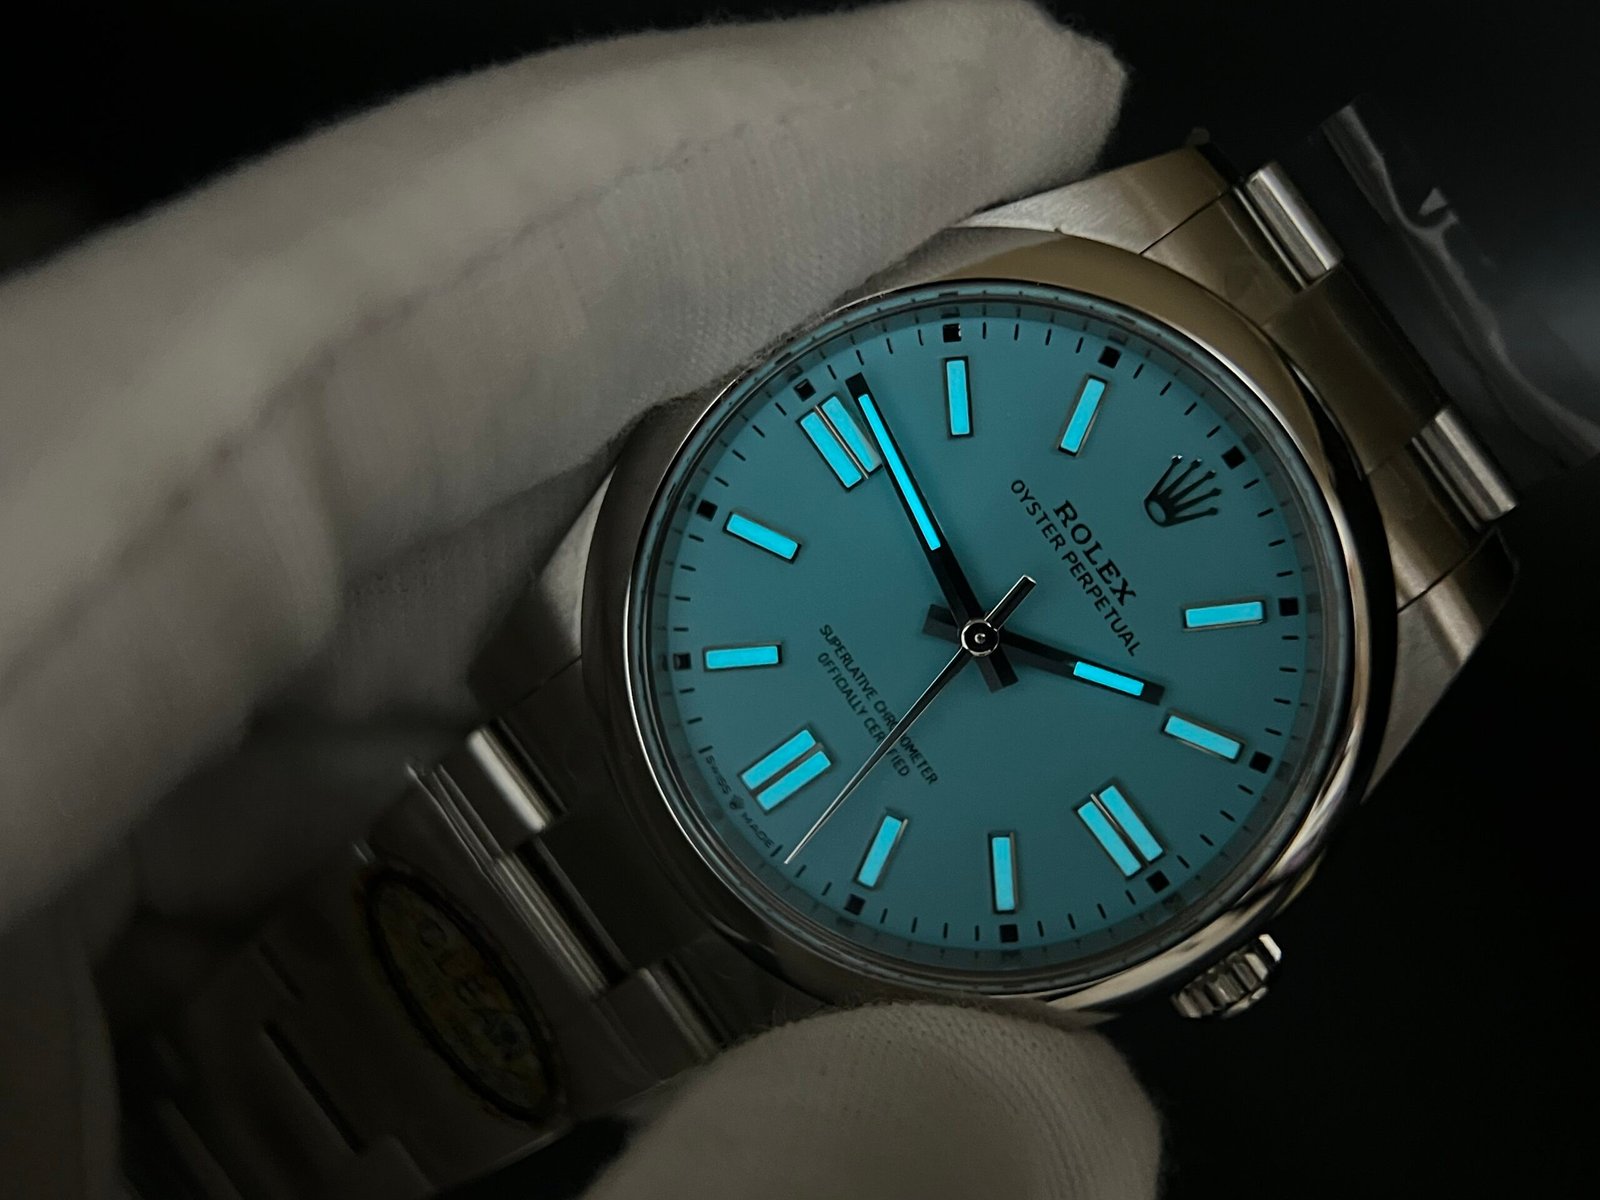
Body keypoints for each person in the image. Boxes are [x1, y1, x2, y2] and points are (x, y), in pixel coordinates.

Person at [0, 2, 1161, 1194]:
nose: (978, 633)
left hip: (705, 900)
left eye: (992, 639)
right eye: (984, 625)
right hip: (559, 686)